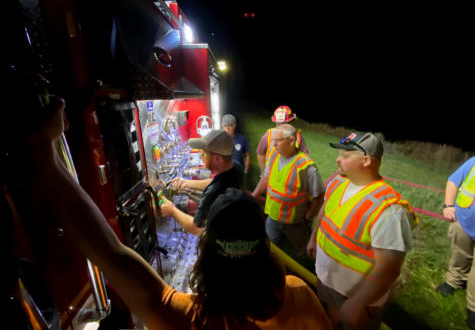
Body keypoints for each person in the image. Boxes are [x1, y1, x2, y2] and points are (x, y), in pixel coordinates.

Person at [26, 102, 332, 329]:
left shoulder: (195, 319)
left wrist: (46, 153)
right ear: (266, 251)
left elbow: (112, 254)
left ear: (206, 261)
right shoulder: (300, 294)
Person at [307, 132, 417, 330]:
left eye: (345, 156)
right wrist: (314, 239)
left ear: (366, 160)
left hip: (354, 299)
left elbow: (389, 268)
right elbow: (325, 212)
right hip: (326, 280)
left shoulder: (389, 211)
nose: (338, 159)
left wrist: (358, 302)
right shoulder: (338, 182)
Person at [252, 124, 324, 270]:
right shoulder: (273, 156)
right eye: (273, 141)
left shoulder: (306, 167)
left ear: (291, 141)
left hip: (295, 223)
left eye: (278, 141)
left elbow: (319, 196)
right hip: (272, 217)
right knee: (270, 249)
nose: (273, 144)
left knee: (301, 255)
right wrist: (253, 196)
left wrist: (308, 218)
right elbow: (265, 179)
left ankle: (302, 276)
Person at [161, 129, 244, 236]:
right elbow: (215, 181)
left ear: (217, 159)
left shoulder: (212, 193)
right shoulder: (236, 167)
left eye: (204, 153)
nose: (201, 156)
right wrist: (187, 183)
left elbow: (195, 228)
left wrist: (172, 210)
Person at [436, 156, 475, 330]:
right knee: (460, 254)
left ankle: (473, 307)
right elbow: (453, 181)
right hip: (463, 221)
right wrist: (448, 205)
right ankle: (454, 281)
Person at [256, 105, 309, 174]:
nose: (281, 126)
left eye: (283, 123)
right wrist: (263, 172)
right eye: (279, 124)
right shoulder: (268, 136)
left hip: (292, 175)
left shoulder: (297, 136)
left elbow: (305, 154)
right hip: (272, 176)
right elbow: (260, 153)